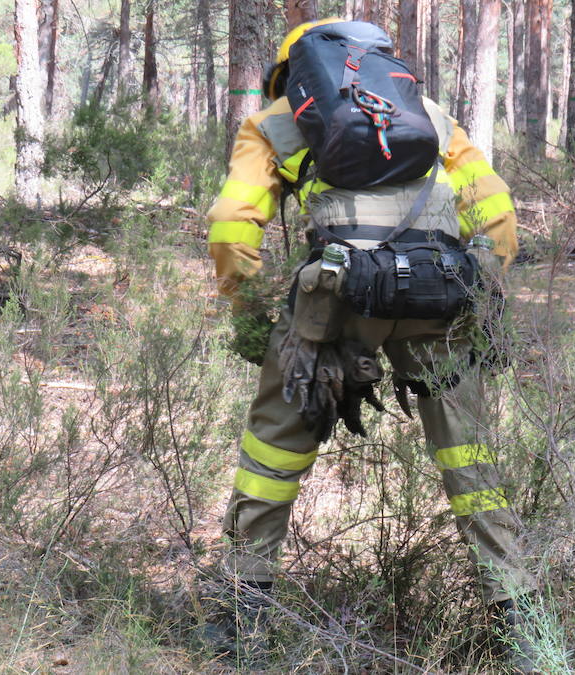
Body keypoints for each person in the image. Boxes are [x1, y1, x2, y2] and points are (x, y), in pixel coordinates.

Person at [204, 18, 538, 672]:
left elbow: (231, 224)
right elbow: (497, 214)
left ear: (293, 75)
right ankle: (523, 626)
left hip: (337, 302)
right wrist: (480, 296)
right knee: (470, 460)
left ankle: (241, 623)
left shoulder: (274, 122)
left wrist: (251, 312)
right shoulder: (431, 116)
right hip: (441, 294)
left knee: (272, 451)